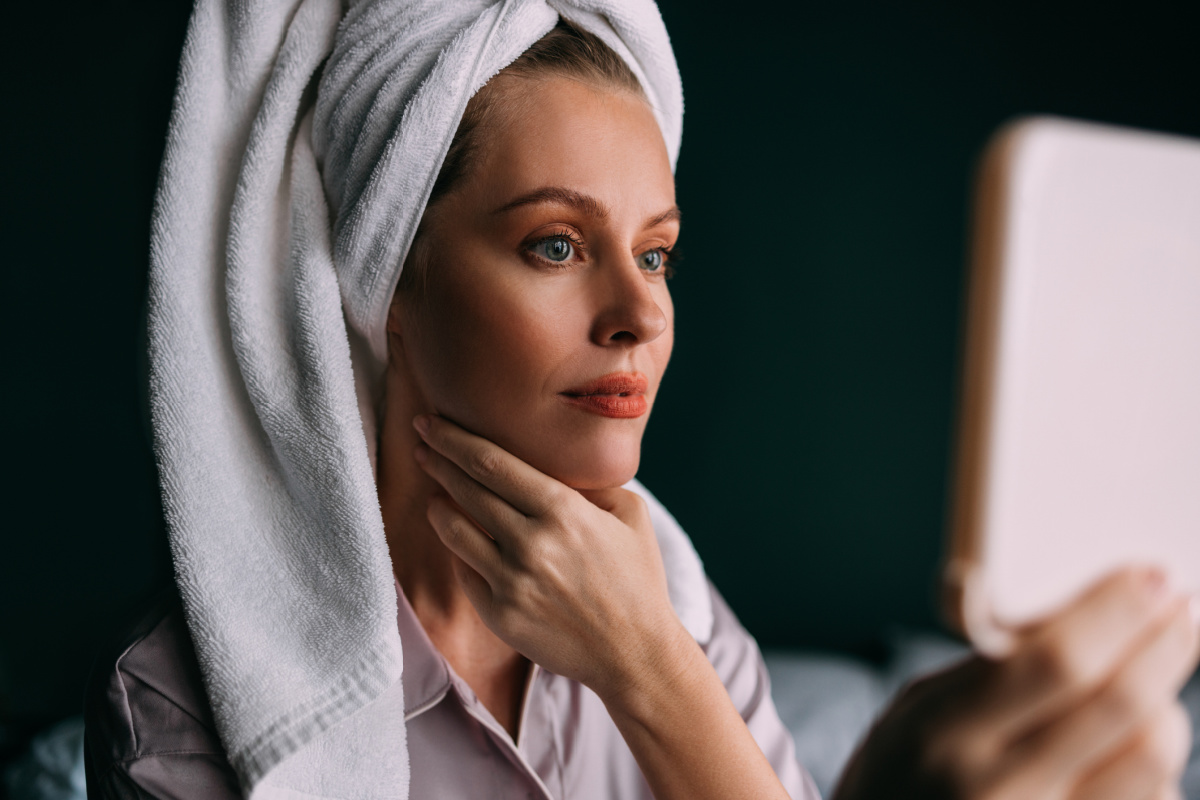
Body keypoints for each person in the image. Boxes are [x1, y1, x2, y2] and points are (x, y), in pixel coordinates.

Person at [84, 3, 1199, 799]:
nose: (638, 313)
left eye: (657, 255)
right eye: (556, 243)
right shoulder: (190, 712)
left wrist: (653, 661)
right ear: (388, 287)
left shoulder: (678, 606)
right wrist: (652, 673)